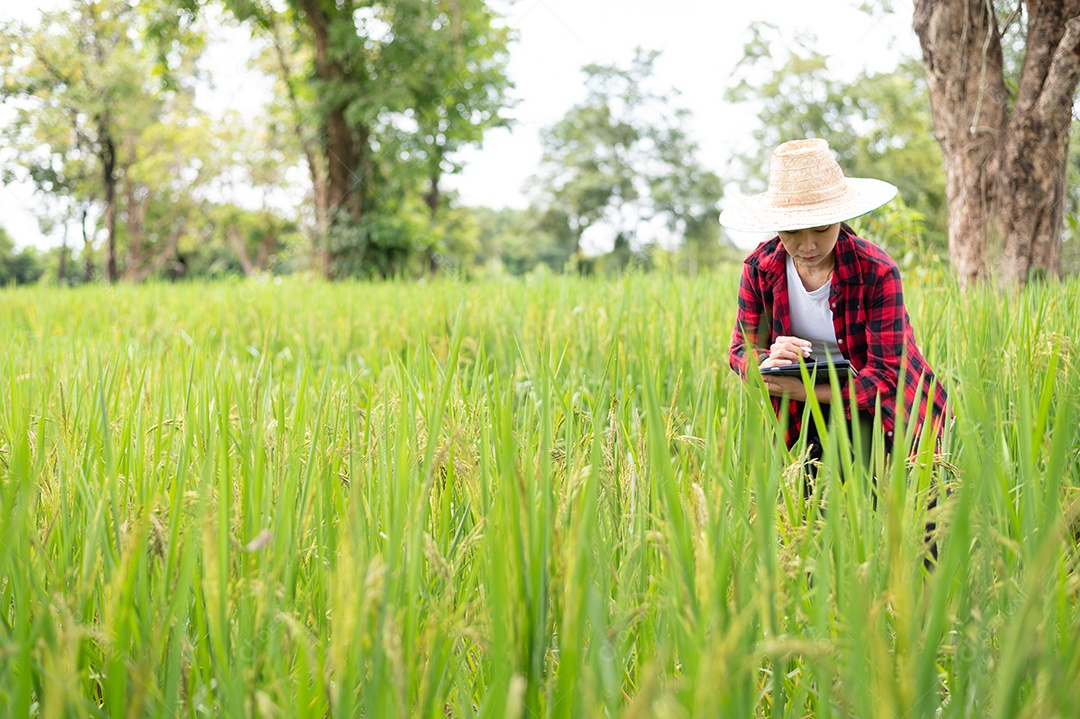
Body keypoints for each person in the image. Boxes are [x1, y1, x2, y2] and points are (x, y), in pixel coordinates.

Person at [721, 138, 948, 462]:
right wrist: (767, 362)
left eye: (821, 229)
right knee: (812, 506)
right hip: (806, 412)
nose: (807, 245)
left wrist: (803, 392)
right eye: (792, 232)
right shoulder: (760, 270)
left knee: (907, 503)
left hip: (888, 407)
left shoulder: (876, 271)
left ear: (839, 219)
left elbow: (885, 377)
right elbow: (739, 350)